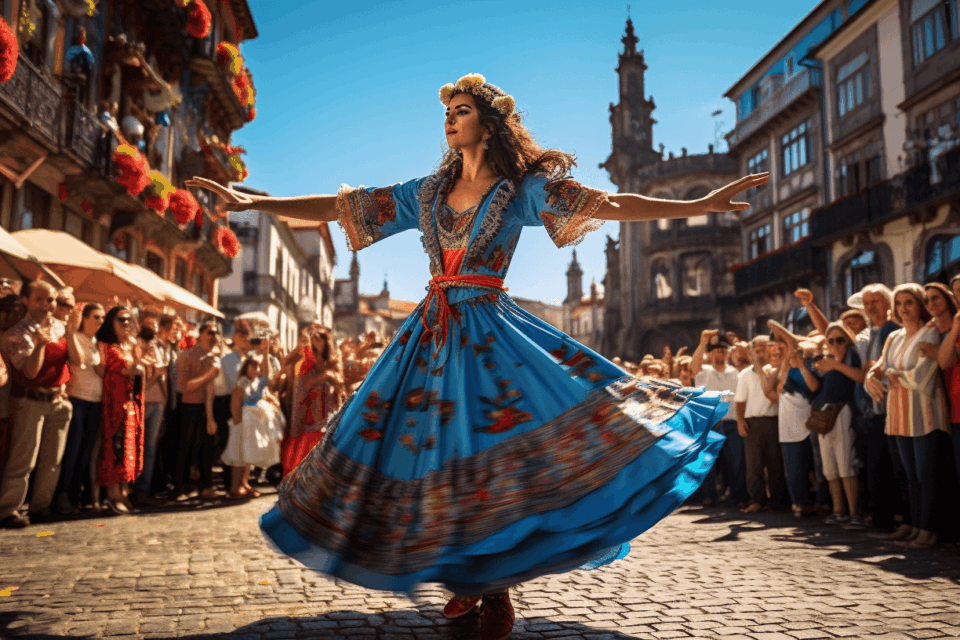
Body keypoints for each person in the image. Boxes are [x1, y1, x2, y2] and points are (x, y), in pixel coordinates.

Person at [188, 73, 766, 639]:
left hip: (490, 333)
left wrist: (702, 202)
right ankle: (463, 572)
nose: (450, 119)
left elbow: (609, 203)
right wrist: (255, 202)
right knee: (429, 454)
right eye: (448, 111)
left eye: (461, 110)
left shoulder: (520, 192)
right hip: (430, 334)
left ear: (488, 126)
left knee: (484, 449)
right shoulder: (427, 193)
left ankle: (492, 584)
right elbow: (347, 207)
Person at [866, 284, 949, 549]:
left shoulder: (931, 334)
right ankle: (913, 524)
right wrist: (870, 377)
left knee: (927, 475)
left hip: (925, 415)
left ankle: (930, 529)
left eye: (909, 302)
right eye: (899, 303)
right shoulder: (894, 338)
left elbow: (922, 378)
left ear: (920, 305)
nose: (903, 308)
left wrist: (893, 375)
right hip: (897, 415)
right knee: (908, 475)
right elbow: (879, 367)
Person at [0, 280, 73, 528]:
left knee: (52, 460)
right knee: (23, 460)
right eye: (39, 299)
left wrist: (64, 388)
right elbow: (30, 372)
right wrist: (41, 344)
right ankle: (8, 509)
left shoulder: (61, 328)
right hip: (29, 401)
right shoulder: (16, 334)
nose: (46, 305)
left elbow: (76, 361)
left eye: (51, 299)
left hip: (58, 401)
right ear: (25, 301)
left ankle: (42, 507)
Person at [54, 303, 105, 515]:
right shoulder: (74, 337)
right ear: (83, 318)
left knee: (85, 452)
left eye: (102, 317)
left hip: (95, 401)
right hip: (77, 399)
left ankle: (75, 497)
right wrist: (71, 331)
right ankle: (62, 496)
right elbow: (78, 360)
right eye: (96, 317)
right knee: (72, 451)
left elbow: (101, 372)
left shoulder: (97, 342)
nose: (100, 321)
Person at [812, 322, 864, 528]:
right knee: (830, 467)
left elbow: (861, 377)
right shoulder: (827, 361)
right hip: (826, 414)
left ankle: (854, 513)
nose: (834, 344)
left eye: (839, 340)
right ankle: (838, 511)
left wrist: (835, 365)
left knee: (846, 463)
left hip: (844, 411)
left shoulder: (853, 355)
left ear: (848, 340)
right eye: (830, 340)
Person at [96, 306, 145, 515]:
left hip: (130, 404)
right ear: (111, 322)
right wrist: (138, 364)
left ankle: (124, 490)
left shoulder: (130, 346)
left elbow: (141, 371)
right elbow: (119, 369)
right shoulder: (106, 346)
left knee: (129, 448)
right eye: (121, 319)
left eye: (129, 320)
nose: (126, 323)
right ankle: (113, 494)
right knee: (115, 449)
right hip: (113, 405)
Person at [691, 330, 748, 507]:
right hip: (711, 423)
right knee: (708, 462)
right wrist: (702, 343)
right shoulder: (704, 372)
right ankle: (709, 496)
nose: (720, 352)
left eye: (723, 349)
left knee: (736, 461)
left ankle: (739, 497)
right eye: (715, 349)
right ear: (710, 353)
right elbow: (693, 366)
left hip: (731, 421)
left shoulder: (735, 373)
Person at [282, 325, 343, 477]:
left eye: (320, 339)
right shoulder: (306, 361)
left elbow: (340, 382)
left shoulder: (333, 360)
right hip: (311, 411)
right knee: (308, 451)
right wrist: (323, 376)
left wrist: (332, 378)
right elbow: (304, 385)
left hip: (330, 408)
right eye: (314, 339)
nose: (317, 342)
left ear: (326, 341)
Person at [735, 336, 785, 513]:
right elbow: (740, 401)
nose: (760, 353)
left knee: (775, 462)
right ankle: (756, 499)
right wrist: (740, 421)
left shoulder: (776, 370)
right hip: (753, 422)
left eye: (763, 349)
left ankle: (778, 501)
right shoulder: (745, 374)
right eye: (756, 350)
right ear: (751, 353)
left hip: (773, 420)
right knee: (754, 464)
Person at [222, 354, 284, 497]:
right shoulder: (243, 382)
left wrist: (266, 350)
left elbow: (266, 382)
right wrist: (237, 422)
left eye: (258, 366)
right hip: (243, 422)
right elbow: (236, 401)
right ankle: (234, 486)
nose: (256, 369)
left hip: (254, 424)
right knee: (239, 455)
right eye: (253, 365)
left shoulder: (258, 382)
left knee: (248, 455)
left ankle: (244, 483)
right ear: (246, 367)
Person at [175, 320, 223, 501]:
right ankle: (181, 488)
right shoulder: (187, 356)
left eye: (217, 332)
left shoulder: (216, 356)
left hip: (210, 407)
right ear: (201, 334)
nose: (214, 336)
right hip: (190, 406)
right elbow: (184, 387)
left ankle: (206, 486)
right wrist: (208, 375)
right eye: (210, 332)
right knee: (185, 448)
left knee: (208, 449)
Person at [132, 313, 168, 507]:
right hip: (142, 401)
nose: (153, 327)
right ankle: (132, 488)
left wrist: (165, 398)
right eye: (149, 323)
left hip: (158, 402)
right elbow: (144, 378)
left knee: (151, 449)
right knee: (136, 445)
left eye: (155, 324)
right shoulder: (135, 345)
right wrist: (156, 376)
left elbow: (161, 372)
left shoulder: (157, 346)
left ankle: (144, 489)